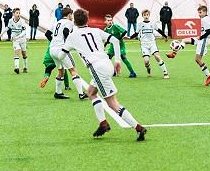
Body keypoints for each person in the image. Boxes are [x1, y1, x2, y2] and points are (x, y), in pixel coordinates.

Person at [59, 9, 147, 141]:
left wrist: (65, 45)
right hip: (107, 64)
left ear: (75, 23)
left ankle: (139, 128)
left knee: (113, 104)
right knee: (91, 92)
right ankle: (103, 123)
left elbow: (61, 55)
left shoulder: (73, 36)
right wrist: (117, 61)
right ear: (88, 20)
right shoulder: (96, 31)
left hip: (97, 68)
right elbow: (116, 41)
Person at [165, 5, 210, 86]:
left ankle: (209, 76)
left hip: (204, 40)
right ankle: (174, 53)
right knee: (185, 40)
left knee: (198, 59)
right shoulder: (207, 19)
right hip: (202, 39)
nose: (199, 14)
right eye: (198, 12)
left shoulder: (205, 20)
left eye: (200, 12)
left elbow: (209, 31)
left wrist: (201, 37)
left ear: (205, 12)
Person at [45, 7, 88, 100]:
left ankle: (58, 92)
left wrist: (54, 41)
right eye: (71, 15)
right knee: (73, 70)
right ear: (69, 15)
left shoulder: (56, 22)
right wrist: (68, 43)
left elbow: (47, 33)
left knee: (61, 70)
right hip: (61, 49)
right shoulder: (69, 23)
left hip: (52, 49)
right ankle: (81, 93)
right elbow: (65, 32)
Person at [130, 9, 169, 78]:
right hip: (144, 45)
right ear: (142, 16)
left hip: (152, 43)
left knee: (157, 56)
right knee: (146, 61)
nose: (146, 16)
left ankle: (165, 73)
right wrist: (130, 37)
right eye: (144, 15)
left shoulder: (152, 24)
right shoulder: (140, 25)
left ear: (149, 15)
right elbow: (136, 33)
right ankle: (148, 68)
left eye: (147, 15)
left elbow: (159, 30)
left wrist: (165, 36)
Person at [0, 8, 28, 74]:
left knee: (24, 53)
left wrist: (19, 36)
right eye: (17, 13)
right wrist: (1, 33)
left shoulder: (22, 21)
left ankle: (25, 67)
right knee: (16, 52)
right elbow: (8, 27)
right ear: (13, 14)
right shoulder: (11, 21)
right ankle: (16, 67)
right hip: (15, 39)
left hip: (22, 39)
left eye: (19, 13)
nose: (18, 14)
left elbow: (24, 31)